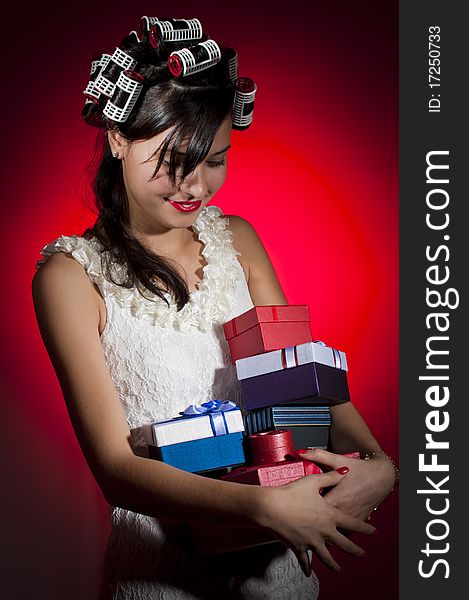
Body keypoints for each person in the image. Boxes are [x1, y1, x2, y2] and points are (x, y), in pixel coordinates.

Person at [32, 16, 397, 600]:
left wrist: (379, 461)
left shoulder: (239, 239)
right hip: (162, 572)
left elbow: (298, 379)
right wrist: (262, 506)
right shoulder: (69, 278)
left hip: (279, 568)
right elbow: (115, 471)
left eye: (215, 159)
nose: (194, 186)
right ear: (119, 138)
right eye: (173, 157)